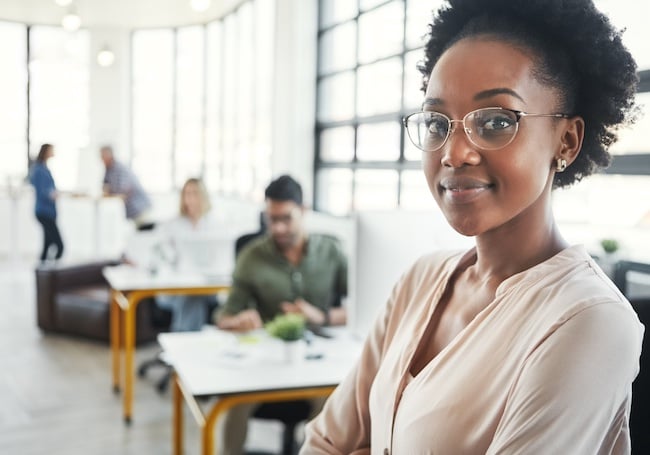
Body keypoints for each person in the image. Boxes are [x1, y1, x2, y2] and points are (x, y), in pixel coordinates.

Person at [301, 1, 645, 454]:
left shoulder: (588, 320)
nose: (453, 153)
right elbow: (325, 441)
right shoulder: (421, 280)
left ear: (567, 140)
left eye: (497, 121)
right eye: (437, 122)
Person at [214, 174, 348, 454]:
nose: (277, 228)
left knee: (336, 399)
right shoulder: (251, 256)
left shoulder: (332, 251)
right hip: (265, 362)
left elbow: (360, 311)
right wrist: (237, 321)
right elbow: (224, 315)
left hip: (317, 359)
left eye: (286, 218)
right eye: (270, 219)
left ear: (304, 210)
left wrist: (319, 316)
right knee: (234, 399)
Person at [155, 178, 220, 331]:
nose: (190, 199)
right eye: (187, 194)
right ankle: (188, 345)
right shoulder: (171, 226)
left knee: (194, 294)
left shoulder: (215, 225)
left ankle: (178, 345)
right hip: (175, 288)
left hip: (207, 286)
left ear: (203, 197)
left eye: (195, 194)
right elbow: (162, 258)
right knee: (191, 296)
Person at [100, 145, 153, 230]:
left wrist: (109, 195)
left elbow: (124, 192)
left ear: (109, 156)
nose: (101, 159)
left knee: (143, 236)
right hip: (131, 211)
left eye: (102, 156)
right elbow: (105, 187)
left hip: (140, 208)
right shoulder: (108, 170)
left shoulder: (120, 169)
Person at [29, 143, 64, 263]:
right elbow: (42, 190)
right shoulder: (38, 169)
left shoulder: (45, 168)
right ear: (46, 151)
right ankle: (53, 273)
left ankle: (42, 272)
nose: (54, 152)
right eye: (52, 150)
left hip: (49, 211)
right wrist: (52, 194)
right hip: (44, 211)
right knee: (59, 246)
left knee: (47, 244)